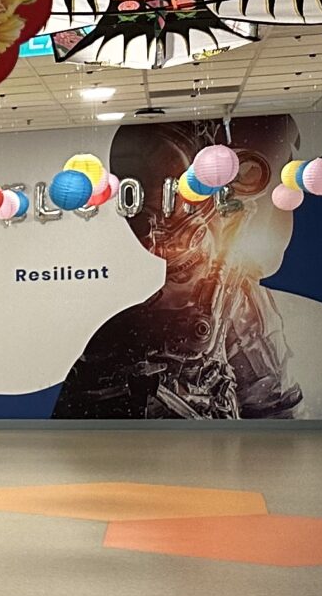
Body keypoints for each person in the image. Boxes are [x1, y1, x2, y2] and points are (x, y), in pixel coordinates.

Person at [53, 116, 305, 419]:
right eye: (147, 205)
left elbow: (275, 412)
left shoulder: (229, 293)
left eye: (173, 202)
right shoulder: (92, 284)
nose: (159, 229)